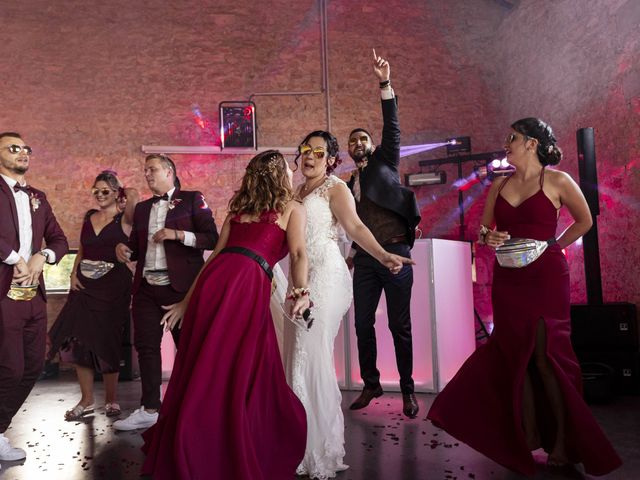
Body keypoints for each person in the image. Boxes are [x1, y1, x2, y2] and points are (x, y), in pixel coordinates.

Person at [427, 118, 622, 476]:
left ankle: (564, 441)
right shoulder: (498, 185)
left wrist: (552, 247)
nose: (506, 143)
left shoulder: (557, 180)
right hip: (509, 280)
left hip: (545, 278)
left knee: (548, 357)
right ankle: (528, 438)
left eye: (512, 138)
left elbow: (585, 221)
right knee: (520, 357)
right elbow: (484, 231)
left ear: (531, 143)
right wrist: (490, 238)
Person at [141, 150, 309, 480]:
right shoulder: (291, 208)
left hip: (219, 281)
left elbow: (214, 257)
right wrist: (301, 292)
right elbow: (300, 253)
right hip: (244, 282)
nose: (292, 173)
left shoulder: (241, 208)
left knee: (214, 360)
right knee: (233, 362)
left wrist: (189, 301)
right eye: (288, 168)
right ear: (278, 174)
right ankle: (217, 441)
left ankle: (201, 436)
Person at [282, 130, 413, 479]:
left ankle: (320, 448)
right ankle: (296, 441)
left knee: (313, 353)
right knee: (294, 356)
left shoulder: (335, 189)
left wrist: (385, 255)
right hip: (300, 280)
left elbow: (355, 226)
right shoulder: (295, 193)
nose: (310, 156)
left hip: (327, 278)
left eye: (318, 151)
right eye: (305, 150)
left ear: (330, 159)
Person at [113, 154, 218, 431]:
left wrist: (179, 235)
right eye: (145, 170)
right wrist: (123, 249)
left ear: (169, 171)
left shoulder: (194, 199)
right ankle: (150, 408)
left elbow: (212, 238)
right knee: (146, 347)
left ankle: (199, 405)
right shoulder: (143, 209)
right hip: (147, 288)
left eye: (153, 169)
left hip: (181, 290)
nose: (147, 174)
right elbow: (136, 246)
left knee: (190, 347)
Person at [346, 51, 421, 418]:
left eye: (362, 138)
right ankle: (371, 383)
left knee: (398, 324)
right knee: (362, 324)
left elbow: (392, 125)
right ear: (347, 151)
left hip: (396, 253)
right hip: (364, 260)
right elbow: (353, 223)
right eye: (352, 141)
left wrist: (384, 82)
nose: (358, 143)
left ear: (371, 146)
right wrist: (349, 252)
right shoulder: (347, 183)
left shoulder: (384, 162)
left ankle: (407, 390)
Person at [0, 132, 69, 466]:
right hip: (3, 293)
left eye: (25, 148)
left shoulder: (38, 196)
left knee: (34, 366)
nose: (22, 152)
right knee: (10, 369)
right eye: (13, 148)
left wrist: (43, 257)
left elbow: (58, 238)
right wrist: (16, 260)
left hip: (33, 295)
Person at [48, 170, 139, 420]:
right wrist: (72, 274)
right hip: (84, 287)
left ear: (116, 192)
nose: (99, 195)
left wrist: (125, 194)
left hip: (113, 288)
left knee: (107, 343)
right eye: (95, 191)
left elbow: (133, 200)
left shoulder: (126, 218)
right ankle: (86, 400)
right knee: (79, 342)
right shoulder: (89, 216)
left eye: (105, 191)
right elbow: (82, 250)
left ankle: (111, 400)